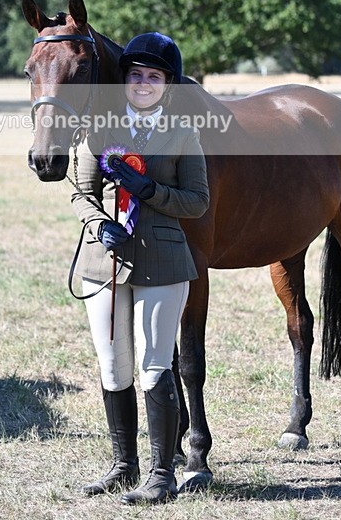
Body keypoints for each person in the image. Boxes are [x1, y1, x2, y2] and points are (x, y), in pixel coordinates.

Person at [70, 32, 210, 505]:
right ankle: (122, 465)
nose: (143, 83)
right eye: (136, 75)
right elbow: (80, 192)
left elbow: (197, 202)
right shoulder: (98, 130)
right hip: (103, 262)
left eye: (154, 77)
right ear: (124, 80)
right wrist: (97, 223)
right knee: (114, 368)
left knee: (154, 366)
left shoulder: (183, 133)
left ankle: (161, 473)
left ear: (167, 85)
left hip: (163, 260)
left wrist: (148, 190)